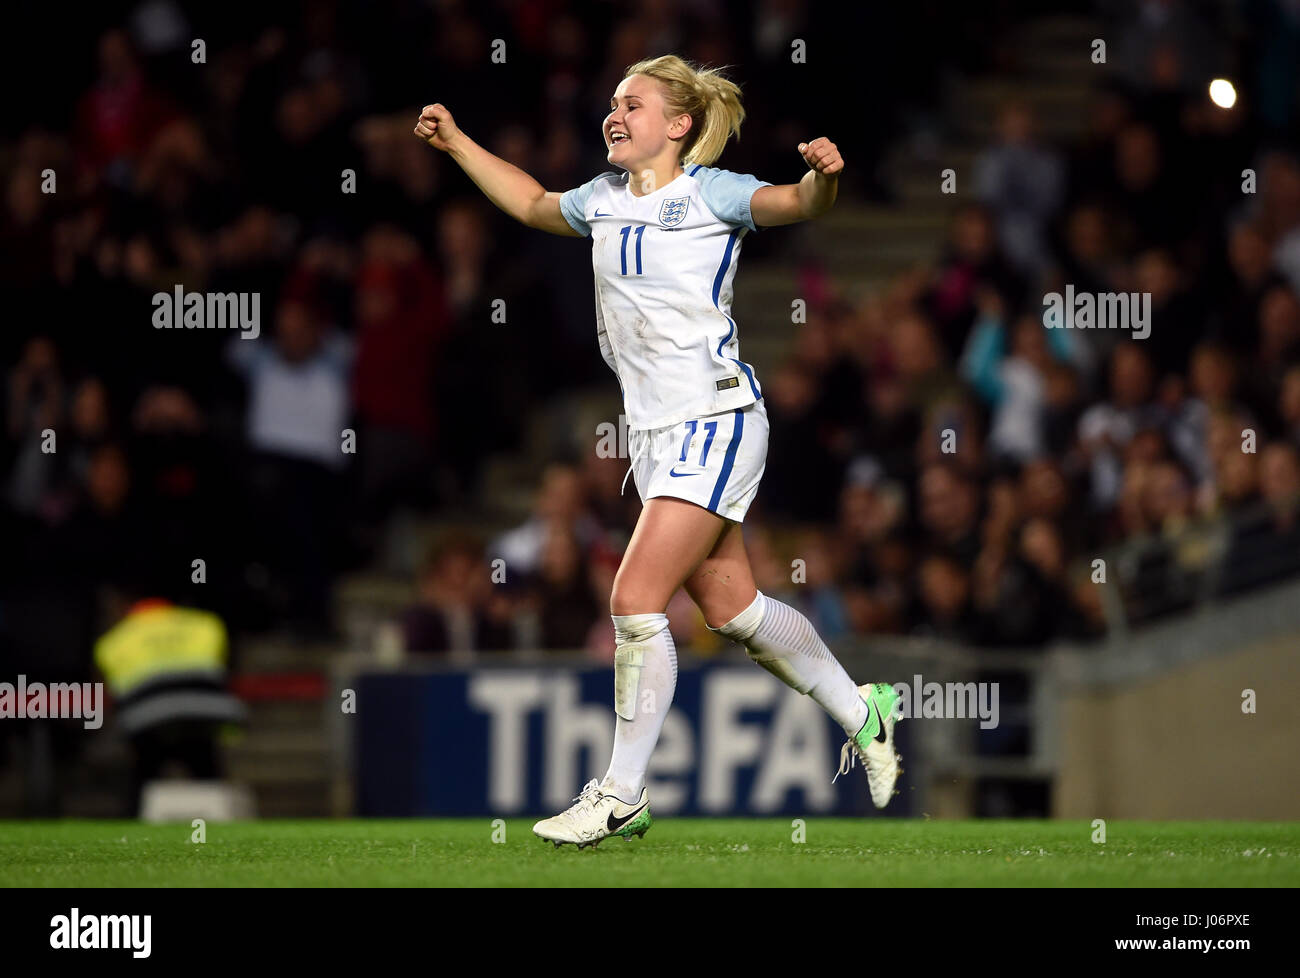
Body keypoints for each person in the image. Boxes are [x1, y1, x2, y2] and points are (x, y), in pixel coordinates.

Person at [414, 55, 901, 848]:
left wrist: (822, 179)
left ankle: (621, 793)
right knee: (735, 612)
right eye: (612, 103)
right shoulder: (601, 199)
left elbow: (794, 205)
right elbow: (533, 202)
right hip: (658, 436)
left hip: (717, 417)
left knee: (635, 597)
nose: (615, 114)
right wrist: (460, 143)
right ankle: (864, 710)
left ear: (678, 125)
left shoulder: (709, 191)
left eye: (633, 104)